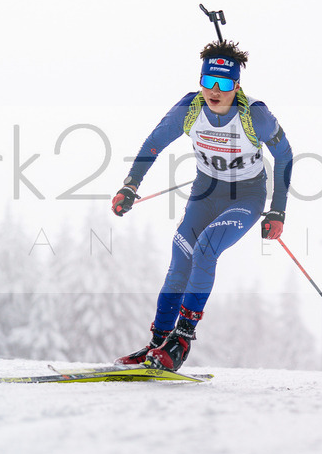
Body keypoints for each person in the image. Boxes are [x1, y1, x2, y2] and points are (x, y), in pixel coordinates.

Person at [110, 39, 293, 371]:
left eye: (224, 83)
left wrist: (278, 210)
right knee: (181, 254)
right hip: (206, 192)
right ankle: (157, 344)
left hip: (246, 196)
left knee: (206, 249)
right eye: (209, 81)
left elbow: (285, 156)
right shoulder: (189, 109)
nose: (215, 91)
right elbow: (153, 144)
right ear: (200, 81)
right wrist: (130, 184)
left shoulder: (256, 115)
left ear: (237, 85)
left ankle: (180, 341)